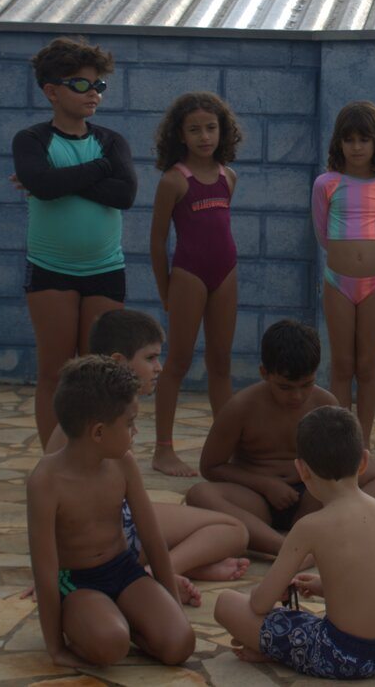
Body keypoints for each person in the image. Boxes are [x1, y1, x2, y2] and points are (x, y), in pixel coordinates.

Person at [215, 406, 375, 679]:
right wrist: (322, 586)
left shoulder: (310, 526)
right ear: (363, 461)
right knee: (306, 624)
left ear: (302, 469)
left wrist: (266, 594)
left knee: (227, 604)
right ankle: (276, 648)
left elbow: (260, 605)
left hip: (344, 656)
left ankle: (272, 650)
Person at [27, 356, 194, 669]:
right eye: (130, 424)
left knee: (180, 644)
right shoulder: (46, 482)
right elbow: (45, 570)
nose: (135, 431)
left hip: (123, 570)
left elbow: (153, 539)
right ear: (99, 433)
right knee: (111, 645)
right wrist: (55, 647)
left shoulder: (123, 463)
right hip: (76, 583)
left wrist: (173, 605)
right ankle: (99, 624)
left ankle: (127, 622)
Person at [12, 36, 137, 448]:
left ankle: (91, 457)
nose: (93, 93)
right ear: (52, 91)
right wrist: (100, 170)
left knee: (99, 373)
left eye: (98, 85)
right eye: (81, 84)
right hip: (51, 270)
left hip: (105, 269)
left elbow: (125, 194)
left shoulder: (111, 141)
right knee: (55, 371)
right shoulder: (31, 140)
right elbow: (43, 185)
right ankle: (54, 460)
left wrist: (58, 181)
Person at [186, 319, 375, 555]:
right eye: (285, 387)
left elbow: (344, 462)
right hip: (256, 499)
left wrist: (314, 477)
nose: (297, 396)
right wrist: (265, 484)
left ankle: (328, 529)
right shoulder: (241, 407)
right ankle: (286, 548)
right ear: (264, 373)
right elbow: (210, 467)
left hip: (311, 496)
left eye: (306, 384)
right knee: (199, 494)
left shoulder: (325, 403)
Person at [149, 91, 244, 476]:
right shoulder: (174, 180)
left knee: (221, 362)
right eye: (194, 130)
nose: (204, 136)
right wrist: (165, 289)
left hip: (226, 274)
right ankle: (163, 450)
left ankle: (228, 446)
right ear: (180, 135)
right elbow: (157, 242)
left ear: (223, 131)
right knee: (178, 361)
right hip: (188, 276)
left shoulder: (228, 177)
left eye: (210, 128)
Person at [312, 101, 375, 447]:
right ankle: (341, 442)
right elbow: (322, 233)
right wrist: (345, 259)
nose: (357, 147)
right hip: (338, 282)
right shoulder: (326, 183)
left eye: (364, 139)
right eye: (349, 140)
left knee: (367, 365)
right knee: (342, 364)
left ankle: (363, 442)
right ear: (339, 143)